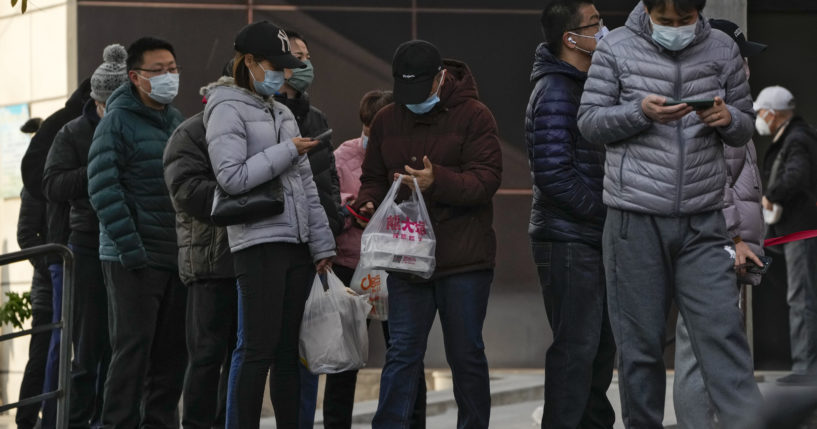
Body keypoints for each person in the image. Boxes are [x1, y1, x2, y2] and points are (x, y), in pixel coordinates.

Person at [577, 0, 762, 427]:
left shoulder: (722, 48)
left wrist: (726, 117)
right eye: (665, 21)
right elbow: (589, 122)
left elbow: (745, 124)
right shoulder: (616, 48)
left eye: (685, 20)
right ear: (648, 10)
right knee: (640, 349)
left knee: (724, 337)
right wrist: (639, 112)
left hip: (704, 220)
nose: (674, 29)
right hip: (633, 219)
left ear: (700, 12)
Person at [356, 39, 503, 429]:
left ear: (440, 79)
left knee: (465, 354)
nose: (412, 101)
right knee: (402, 351)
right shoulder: (388, 119)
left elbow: (486, 180)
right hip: (407, 259)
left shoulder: (475, 115)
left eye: (420, 91)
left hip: (464, 259)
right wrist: (370, 201)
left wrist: (439, 180)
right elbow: (372, 177)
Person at [203, 21, 335, 429]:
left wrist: (321, 244)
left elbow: (306, 185)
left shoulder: (280, 111)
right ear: (249, 63)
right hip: (257, 243)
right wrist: (285, 151)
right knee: (255, 349)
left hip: (296, 244)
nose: (282, 74)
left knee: (286, 354)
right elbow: (230, 177)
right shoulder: (224, 107)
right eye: (273, 65)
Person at [672, 18, 768, 428]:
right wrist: (733, 239)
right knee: (698, 351)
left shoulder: (729, 108)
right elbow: (711, 182)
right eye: (743, 57)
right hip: (717, 248)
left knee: (714, 350)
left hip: (725, 248)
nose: (747, 66)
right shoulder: (712, 109)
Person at [87, 36, 187, 427]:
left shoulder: (178, 122)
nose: (169, 77)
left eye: (173, 69)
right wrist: (131, 248)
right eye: (158, 71)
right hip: (132, 259)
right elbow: (102, 187)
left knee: (170, 357)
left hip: (175, 259)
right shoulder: (116, 122)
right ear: (135, 76)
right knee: (132, 354)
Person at [526, 1, 615, 428]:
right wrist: (605, 214)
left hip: (587, 239)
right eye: (597, 24)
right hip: (568, 239)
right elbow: (553, 175)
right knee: (575, 353)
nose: (605, 30)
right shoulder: (557, 90)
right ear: (570, 38)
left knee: (596, 352)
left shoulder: (584, 84)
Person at [43, 43, 130, 428]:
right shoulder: (73, 133)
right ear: (96, 100)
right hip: (89, 244)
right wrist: (97, 170)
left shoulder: (141, 126)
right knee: (88, 347)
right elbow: (52, 184)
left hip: (132, 243)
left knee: (125, 347)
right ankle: (78, 421)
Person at [268, 31, 344, 428]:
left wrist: (327, 233)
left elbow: (328, 181)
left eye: (308, 55)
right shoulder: (263, 111)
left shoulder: (316, 118)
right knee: (270, 350)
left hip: (312, 249)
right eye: (297, 55)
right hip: (275, 244)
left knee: (308, 347)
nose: (305, 63)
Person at [163, 68, 237, 429]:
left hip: (250, 261)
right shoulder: (192, 132)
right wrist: (245, 192)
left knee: (242, 357)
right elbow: (189, 193)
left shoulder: (254, 128)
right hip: (208, 262)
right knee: (206, 357)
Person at [22, 79, 88, 429]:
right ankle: (34, 418)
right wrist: (49, 263)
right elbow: (25, 234)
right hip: (53, 273)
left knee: (77, 345)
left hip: (69, 263)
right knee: (49, 349)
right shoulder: (39, 182)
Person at [756, 85, 817, 385]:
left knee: (801, 297)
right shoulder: (793, 136)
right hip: (791, 230)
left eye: (760, 112)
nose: (758, 118)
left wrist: (771, 196)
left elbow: (796, 175)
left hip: (801, 229)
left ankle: (805, 372)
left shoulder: (797, 138)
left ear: (774, 113)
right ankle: (805, 369)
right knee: (799, 296)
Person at [16, 124, 53, 429]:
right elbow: (26, 235)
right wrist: (54, 267)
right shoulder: (35, 183)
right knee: (40, 357)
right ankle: (26, 420)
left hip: (67, 284)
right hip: (48, 289)